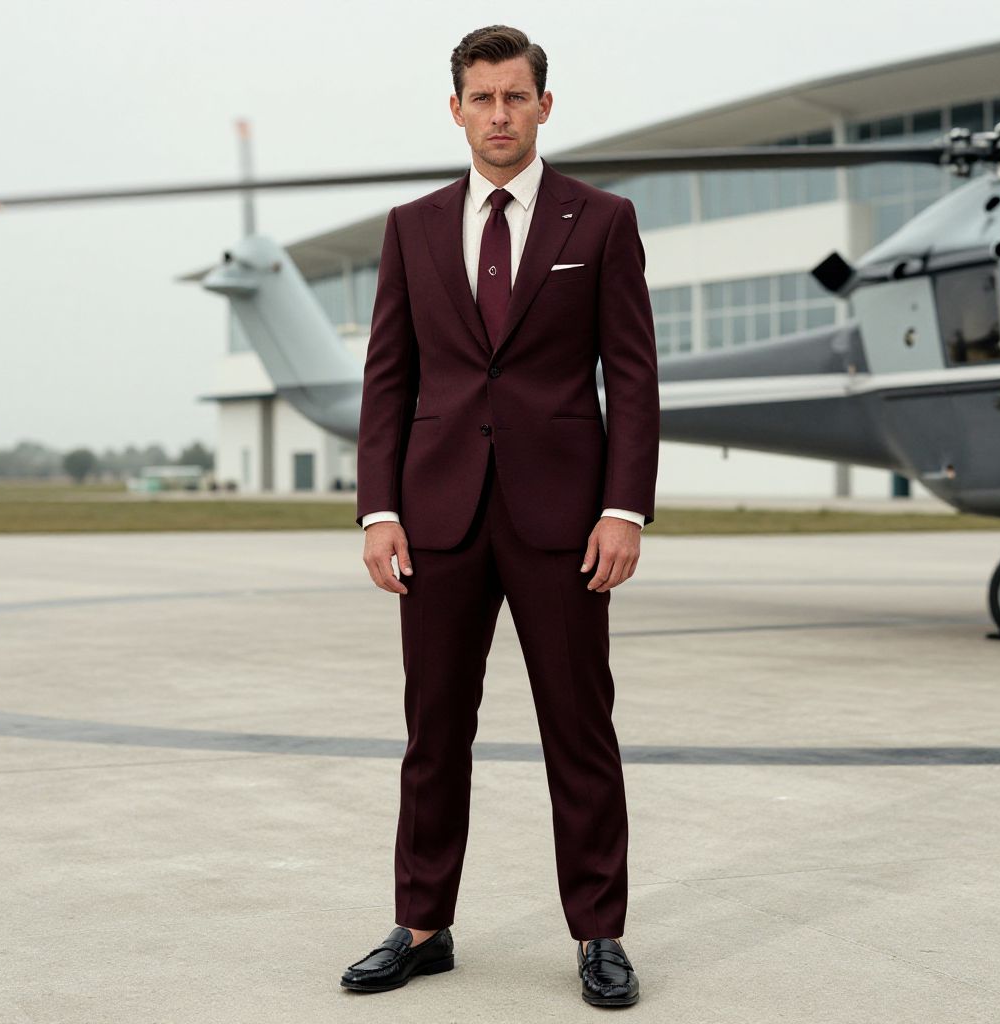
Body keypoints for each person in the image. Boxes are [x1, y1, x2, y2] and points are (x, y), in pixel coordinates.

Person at [341, 24, 659, 1009]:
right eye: (480, 99)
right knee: (432, 729)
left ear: (543, 107)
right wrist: (378, 508)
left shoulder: (600, 222)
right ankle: (422, 923)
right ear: (455, 110)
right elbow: (387, 377)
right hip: (435, 518)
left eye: (514, 97)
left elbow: (634, 377)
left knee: (579, 728)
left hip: (563, 519)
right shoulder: (413, 226)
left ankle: (598, 932)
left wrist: (624, 508)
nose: (497, 116)